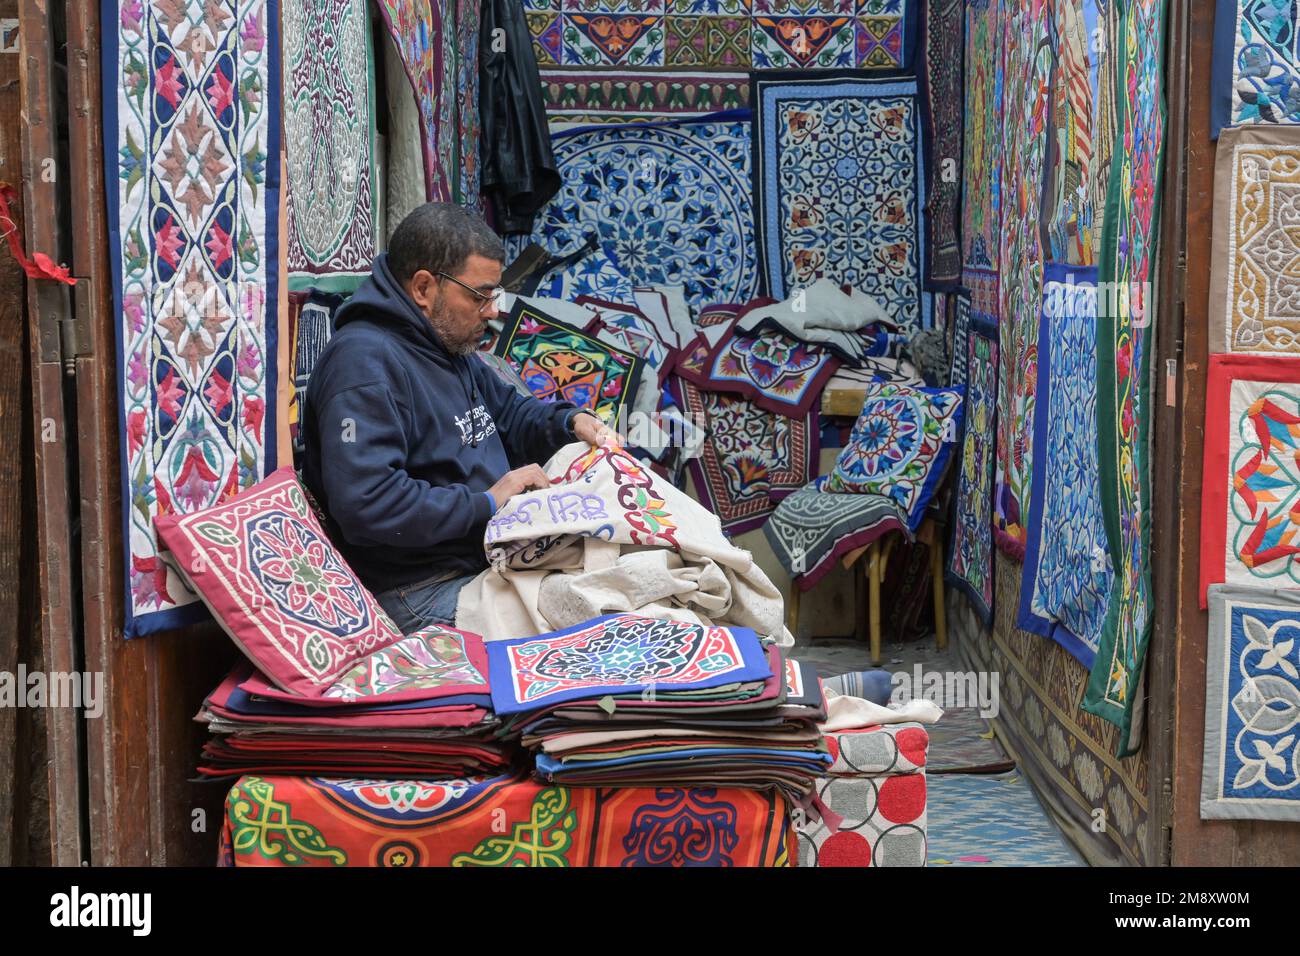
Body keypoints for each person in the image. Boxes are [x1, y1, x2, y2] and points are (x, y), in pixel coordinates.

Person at [301, 203, 615, 633]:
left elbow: (511, 413)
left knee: (636, 569)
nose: (491, 310)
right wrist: (488, 501)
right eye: (480, 295)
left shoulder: (445, 346)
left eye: (494, 296)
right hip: (418, 588)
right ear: (424, 288)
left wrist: (570, 422)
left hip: (480, 559)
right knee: (597, 626)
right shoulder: (363, 364)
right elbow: (368, 503)